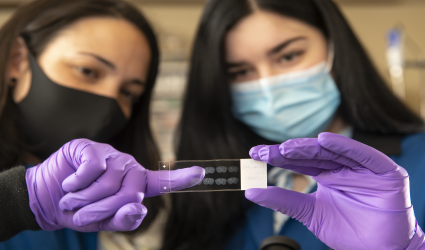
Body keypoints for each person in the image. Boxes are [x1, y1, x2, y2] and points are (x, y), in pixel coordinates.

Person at [161, 0, 425, 249]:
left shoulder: (419, 159)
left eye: (288, 56)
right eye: (241, 72)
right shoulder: (211, 183)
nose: (268, 86)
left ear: (335, 46)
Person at [0, 0, 203, 249]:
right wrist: (15, 199)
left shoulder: (102, 209)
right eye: (87, 70)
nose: (108, 103)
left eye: (128, 93)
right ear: (16, 60)